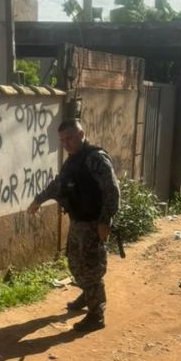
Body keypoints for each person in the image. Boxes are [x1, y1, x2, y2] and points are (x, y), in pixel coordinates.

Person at [27, 119, 120, 332]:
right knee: (75, 263)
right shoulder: (72, 160)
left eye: (69, 138)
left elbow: (112, 190)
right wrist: (39, 199)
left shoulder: (95, 158)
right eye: (62, 140)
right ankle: (88, 295)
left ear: (81, 134)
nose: (66, 143)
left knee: (91, 268)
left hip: (94, 223)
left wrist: (105, 221)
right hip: (79, 221)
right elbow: (59, 184)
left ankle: (96, 315)